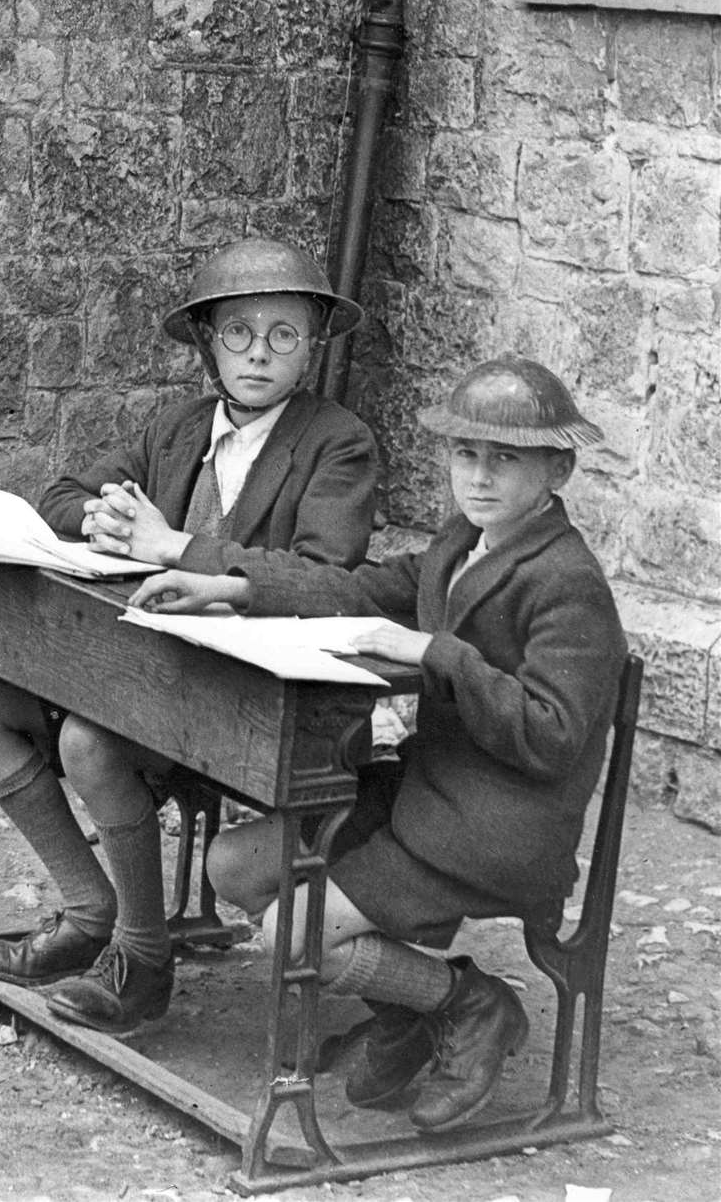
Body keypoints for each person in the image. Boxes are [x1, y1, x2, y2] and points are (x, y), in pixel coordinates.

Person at [128, 356, 627, 1130]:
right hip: (424, 796)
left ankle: (471, 1004)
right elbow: (358, 589)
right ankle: (408, 1009)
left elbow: (553, 736)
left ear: (558, 467)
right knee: (233, 865)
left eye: (506, 458)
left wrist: (437, 652)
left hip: (494, 829)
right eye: (466, 454)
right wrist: (227, 586)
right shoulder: (464, 541)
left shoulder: (567, 581)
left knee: (289, 931)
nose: (480, 476)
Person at [0, 236, 380, 1035]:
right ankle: (87, 909)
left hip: (247, 697)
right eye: (238, 333)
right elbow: (62, 491)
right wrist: (98, 517)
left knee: (91, 743)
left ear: (312, 346)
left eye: (283, 334)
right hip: (140, 668)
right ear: (208, 343)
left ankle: (144, 959)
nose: (259, 354)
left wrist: (175, 547)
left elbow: (325, 575)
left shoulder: (335, 441)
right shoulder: (177, 428)